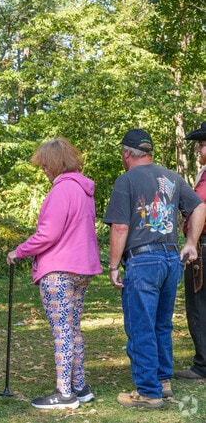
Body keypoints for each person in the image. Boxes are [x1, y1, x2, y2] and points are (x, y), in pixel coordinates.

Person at [103, 128, 206, 409]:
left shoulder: (126, 181)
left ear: (127, 154)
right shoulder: (172, 176)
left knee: (141, 325)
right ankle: (163, 381)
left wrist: (113, 266)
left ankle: (148, 392)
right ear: (148, 153)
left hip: (143, 260)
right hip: (171, 258)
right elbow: (198, 207)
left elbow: (121, 226)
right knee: (162, 323)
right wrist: (191, 243)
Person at [6, 137, 101, 410]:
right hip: (82, 267)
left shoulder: (62, 190)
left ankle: (64, 393)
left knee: (62, 331)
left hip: (59, 269)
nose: (44, 171)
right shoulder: (84, 190)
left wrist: (19, 251)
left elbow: (48, 234)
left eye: (46, 165)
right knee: (73, 328)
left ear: (56, 163)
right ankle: (81, 387)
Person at [176, 122, 206, 380]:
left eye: (203, 145)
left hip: (203, 246)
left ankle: (202, 365)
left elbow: (201, 207)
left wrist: (191, 242)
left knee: (198, 305)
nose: (199, 150)